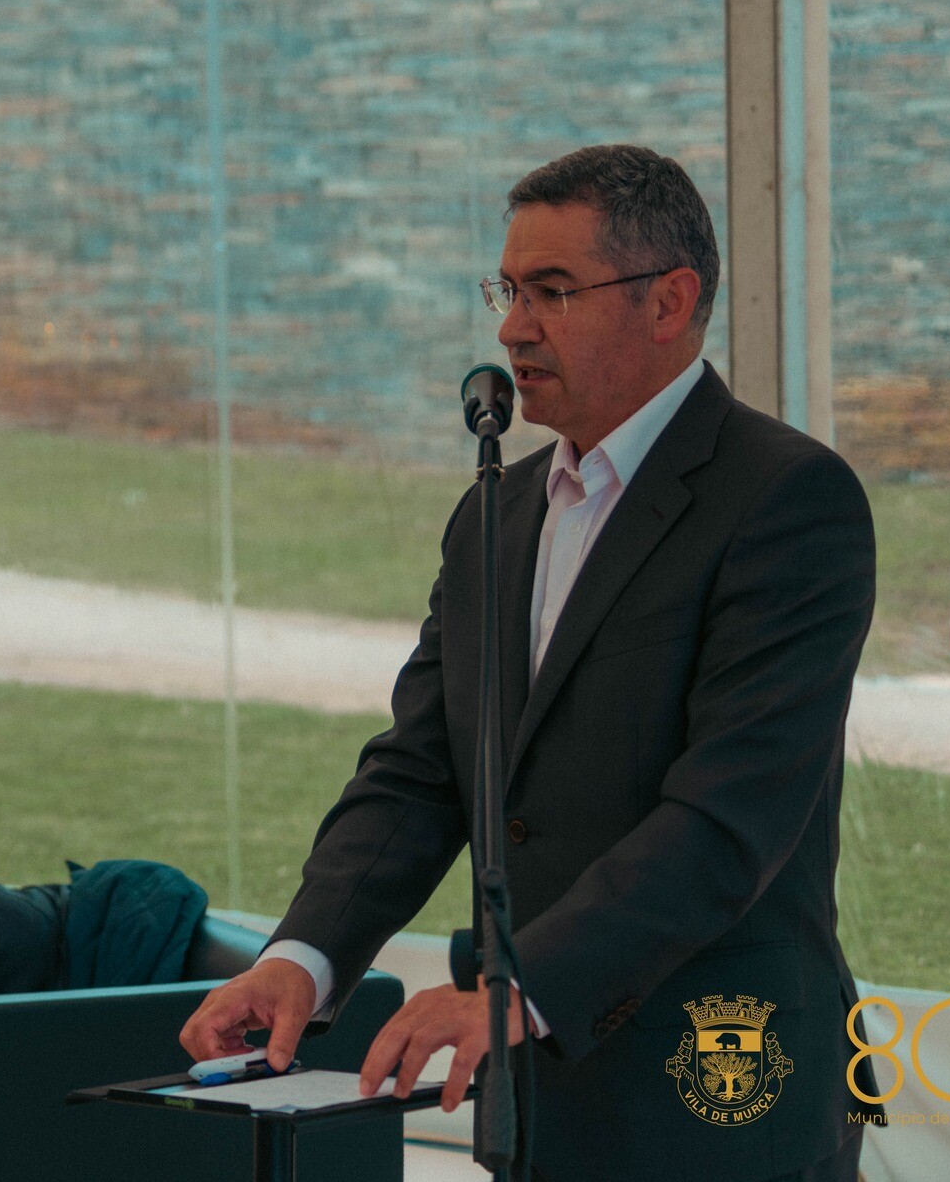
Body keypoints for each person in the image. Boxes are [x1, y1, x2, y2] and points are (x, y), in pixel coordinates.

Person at [181, 145, 878, 1182]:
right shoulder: (496, 513)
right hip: (535, 1103)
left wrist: (517, 988)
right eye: (506, 290)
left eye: (552, 290)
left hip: (721, 1090)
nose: (512, 327)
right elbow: (422, 771)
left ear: (669, 301)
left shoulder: (785, 499)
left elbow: (727, 818)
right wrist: (302, 957)